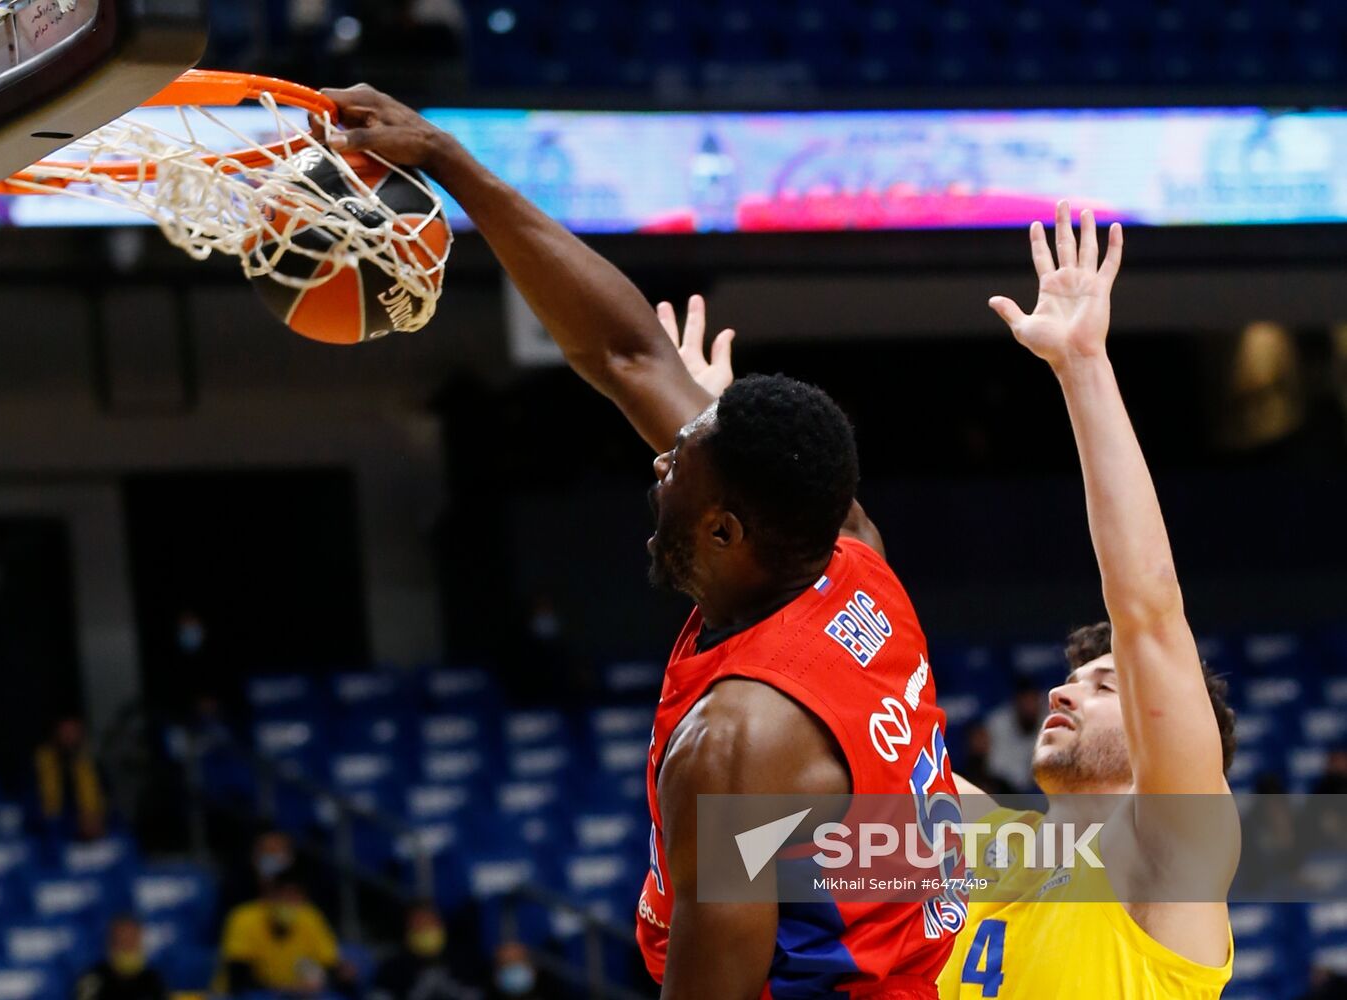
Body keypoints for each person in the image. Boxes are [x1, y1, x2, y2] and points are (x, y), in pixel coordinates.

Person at [322, 85, 960, 998]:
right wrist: (449, 162)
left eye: (678, 470)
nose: (659, 467)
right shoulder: (852, 557)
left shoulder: (738, 743)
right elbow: (627, 357)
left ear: (728, 530)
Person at [935, 204, 1238, 997]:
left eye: (1107, 686)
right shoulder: (993, 848)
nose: (1067, 687)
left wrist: (1082, 369)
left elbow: (1147, 609)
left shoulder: (1169, 858)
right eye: (1080, 677)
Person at [217, 872, 354, 996]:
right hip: (246, 994)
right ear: (268, 896)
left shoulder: (310, 917)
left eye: (294, 897)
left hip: (295, 995)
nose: (288, 903)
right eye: (282, 896)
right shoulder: (244, 917)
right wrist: (290, 989)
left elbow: (330, 964)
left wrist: (342, 974)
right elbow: (238, 978)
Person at [372, 902, 478, 1000]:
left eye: (429, 922)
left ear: (441, 924)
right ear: (407, 930)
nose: (425, 929)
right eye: (419, 925)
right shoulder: (393, 968)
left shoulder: (466, 960)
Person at [33, 714, 107, 841]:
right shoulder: (41, 763)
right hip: (52, 830)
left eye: (73, 732)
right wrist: (73, 825)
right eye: (65, 732)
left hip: (92, 827)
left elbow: (105, 798)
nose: (69, 737)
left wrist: (96, 818)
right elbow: (36, 806)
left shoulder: (90, 763)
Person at [75, 915, 169, 1000]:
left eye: (131, 939)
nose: (127, 945)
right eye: (122, 940)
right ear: (111, 942)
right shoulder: (92, 980)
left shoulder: (153, 979)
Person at [981, 678, 1041, 792]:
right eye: (1025, 701)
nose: (1029, 708)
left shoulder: (1049, 719)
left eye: (1033, 701)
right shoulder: (997, 724)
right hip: (1005, 790)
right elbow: (994, 769)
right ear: (1016, 702)